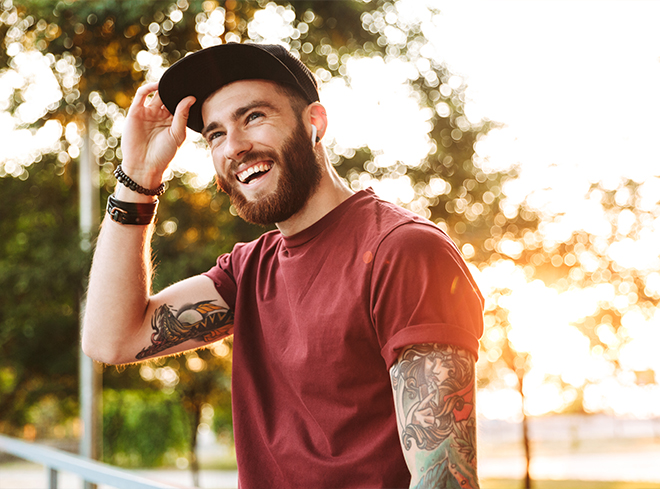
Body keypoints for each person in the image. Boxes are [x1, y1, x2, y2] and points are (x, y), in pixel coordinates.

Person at [82, 42, 484, 489]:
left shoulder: (403, 251)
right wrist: (138, 177)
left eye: (253, 116)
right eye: (215, 134)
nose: (234, 146)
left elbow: (444, 480)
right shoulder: (249, 270)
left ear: (314, 123)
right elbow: (111, 340)